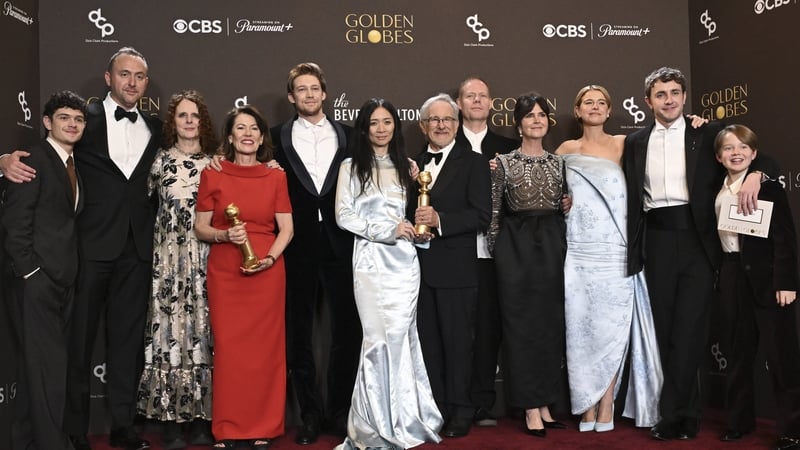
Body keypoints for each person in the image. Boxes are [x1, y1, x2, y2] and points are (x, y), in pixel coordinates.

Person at [623, 67, 777, 441]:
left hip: (697, 241)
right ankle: (680, 412)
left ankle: (680, 416)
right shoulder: (635, 142)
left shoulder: (707, 133)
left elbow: (761, 158)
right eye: (661, 94)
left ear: (684, 96)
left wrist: (756, 176)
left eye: (675, 93)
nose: (669, 100)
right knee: (665, 331)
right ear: (648, 101)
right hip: (655, 240)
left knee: (690, 330)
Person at [60, 46, 161, 450]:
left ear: (146, 83)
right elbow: (52, 152)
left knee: (127, 342)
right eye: (124, 74)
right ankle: (75, 429)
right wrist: (4, 159)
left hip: (137, 249)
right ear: (108, 78)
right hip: (91, 246)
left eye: (139, 76)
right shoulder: (83, 119)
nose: (131, 82)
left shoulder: (156, 127)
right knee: (79, 341)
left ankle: (123, 426)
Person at [333, 98, 443, 450]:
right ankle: (372, 426)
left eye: (387, 122)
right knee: (377, 341)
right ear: (364, 129)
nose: (381, 129)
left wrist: (415, 232)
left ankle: (406, 419)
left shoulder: (407, 166)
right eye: (374, 123)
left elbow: (413, 214)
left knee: (401, 339)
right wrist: (386, 231)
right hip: (370, 262)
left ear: (396, 126)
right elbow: (343, 216)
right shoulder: (351, 167)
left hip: (405, 264)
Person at [557, 85, 662, 432]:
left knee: (612, 330)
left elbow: (670, 146)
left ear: (608, 110)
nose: (595, 107)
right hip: (579, 253)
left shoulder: (624, 144)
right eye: (588, 102)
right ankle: (585, 403)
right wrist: (562, 202)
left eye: (601, 102)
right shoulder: (565, 150)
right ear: (577, 110)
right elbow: (550, 191)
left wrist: (697, 124)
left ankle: (606, 403)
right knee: (581, 331)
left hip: (616, 251)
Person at [270, 62, 360, 445]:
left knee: (347, 330)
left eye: (314, 88)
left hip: (343, 243)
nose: (308, 94)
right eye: (301, 89)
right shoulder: (273, 138)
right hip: (297, 245)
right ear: (291, 97)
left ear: (324, 93)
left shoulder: (350, 136)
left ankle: (339, 411)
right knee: (299, 333)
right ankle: (309, 413)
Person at [194, 105, 293, 450]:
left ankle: (264, 425)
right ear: (230, 136)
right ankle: (228, 428)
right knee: (230, 350)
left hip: (268, 271)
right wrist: (224, 235)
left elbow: (287, 229)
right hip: (226, 272)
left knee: (266, 351)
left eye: (254, 128)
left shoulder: (275, 176)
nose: (248, 134)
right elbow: (201, 227)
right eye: (240, 128)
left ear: (262, 137)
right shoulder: (213, 174)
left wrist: (270, 258)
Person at [1, 91, 86, 450]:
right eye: (64, 117)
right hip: (37, 282)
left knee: (37, 368)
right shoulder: (33, 160)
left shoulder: (71, 163)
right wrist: (31, 273)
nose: (72, 124)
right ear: (48, 122)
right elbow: (15, 223)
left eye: (78, 119)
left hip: (62, 280)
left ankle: (24, 441)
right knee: (47, 369)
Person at [136, 90, 218, 449]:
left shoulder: (215, 163)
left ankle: (201, 418)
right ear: (173, 122)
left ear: (203, 121)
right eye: (182, 115)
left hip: (204, 259)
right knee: (169, 332)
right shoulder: (159, 161)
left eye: (194, 115)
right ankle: (169, 419)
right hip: (169, 261)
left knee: (202, 330)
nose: (188, 121)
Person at [406, 93, 491, 439]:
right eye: (434, 120)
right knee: (427, 344)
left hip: (456, 270)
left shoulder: (473, 163)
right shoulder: (411, 164)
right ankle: (434, 408)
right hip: (415, 270)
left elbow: (481, 216)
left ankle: (461, 409)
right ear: (423, 125)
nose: (441, 125)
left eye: (447, 119)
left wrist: (440, 219)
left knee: (458, 344)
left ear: (457, 125)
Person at [712, 125, 800, 450]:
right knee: (737, 355)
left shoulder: (769, 186)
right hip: (732, 274)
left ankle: (792, 430)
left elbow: (785, 239)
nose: (736, 153)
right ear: (719, 156)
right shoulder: (715, 188)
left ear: (754, 154)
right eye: (728, 148)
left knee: (782, 358)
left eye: (743, 147)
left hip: (768, 279)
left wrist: (786, 283)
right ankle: (739, 423)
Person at [487, 93, 567, 438]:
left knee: (549, 325)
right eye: (529, 115)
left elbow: (562, 206)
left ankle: (546, 401)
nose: (536, 120)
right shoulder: (503, 162)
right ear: (518, 124)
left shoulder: (559, 162)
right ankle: (530, 406)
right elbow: (494, 213)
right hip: (515, 246)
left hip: (550, 243)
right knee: (521, 327)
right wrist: (498, 253)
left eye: (542, 115)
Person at [454, 77, 519, 427]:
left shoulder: (508, 147)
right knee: (457, 331)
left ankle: (482, 402)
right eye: (470, 96)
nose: (477, 101)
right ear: (459, 103)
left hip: (498, 255)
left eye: (482, 96)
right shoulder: (446, 143)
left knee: (490, 330)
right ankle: (455, 402)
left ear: (492, 103)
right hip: (457, 253)